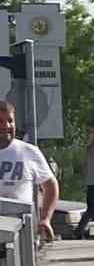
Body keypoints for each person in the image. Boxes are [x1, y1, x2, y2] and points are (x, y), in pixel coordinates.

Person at [0, 101, 60, 242]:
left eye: (10, 121)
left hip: (22, 232)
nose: (6, 126)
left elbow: (50, 185)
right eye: (0, 121)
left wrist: (45, 218)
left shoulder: (28, 151)